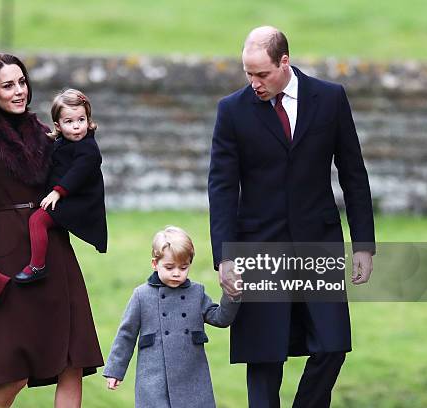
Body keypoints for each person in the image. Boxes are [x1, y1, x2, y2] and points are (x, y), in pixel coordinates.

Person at [208, 26, 376, 407]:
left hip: (319, 243)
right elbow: (221, 187)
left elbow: (353, 172)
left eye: (261, 74)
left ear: (285, 62)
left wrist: (363, 244)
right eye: (248, 73)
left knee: (332, 346)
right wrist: (225, 256)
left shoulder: (330, 99)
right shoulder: (232, 110)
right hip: (259, 247)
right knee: (265, 357)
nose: (254, 83)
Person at [0, 53, 103, 407]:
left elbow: (82, 170)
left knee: (72, 361)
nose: (19, 91)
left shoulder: (45, 133)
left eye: (22, 82)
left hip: (54, 250)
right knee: (13, 372)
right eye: (8, 85)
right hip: (8, 258)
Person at [103, 226, 240, 408]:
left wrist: (232, 295)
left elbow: (220, 319)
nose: (177, 273)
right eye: (169, 267)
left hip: (192, 376)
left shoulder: (196, 293)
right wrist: (115, 371)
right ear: (154, 264)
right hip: (154, 378)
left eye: (183, 267)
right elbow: (126, 335)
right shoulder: (141, 295)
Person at [14, 88, 107, 283]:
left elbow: (77, 173)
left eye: (81, 120)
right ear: (58, 125)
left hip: (79, 202)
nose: (76, 127)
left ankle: (37, 266)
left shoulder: (88, 148)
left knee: (37, 220)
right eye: (69, 122)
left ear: (88, 120)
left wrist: (57, 192)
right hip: (67, 198)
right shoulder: (61, 143)